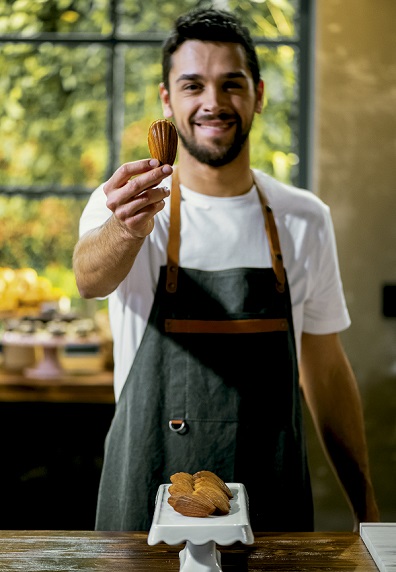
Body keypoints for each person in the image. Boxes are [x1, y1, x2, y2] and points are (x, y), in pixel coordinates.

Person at [73, 8, 379, 532]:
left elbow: (325, 370)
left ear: (258, 94)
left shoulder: (304, 218)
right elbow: (88, 278)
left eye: (230, 84)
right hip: (145, 511)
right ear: (168, 100)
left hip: (272, 511)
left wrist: (367, 509)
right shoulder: (127, 204)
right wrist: (125, 230)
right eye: (193, 85)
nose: (213, 102)